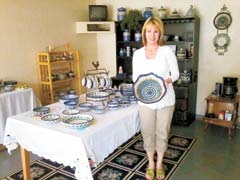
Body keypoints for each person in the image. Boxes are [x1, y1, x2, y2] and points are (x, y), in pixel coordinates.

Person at [132, 17, 179, 180]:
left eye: (156, 31)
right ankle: (150, 162)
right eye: (149, 31)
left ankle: (159, 164)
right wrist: (144, 86)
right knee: (147, 132)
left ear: (160, 33)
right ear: (144, 32)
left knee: (162, 133)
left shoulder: (166, 51)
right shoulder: (137, 54)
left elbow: (176, 74)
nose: (152, 35)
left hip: (165, 100)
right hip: (145, 101)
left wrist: (166, 81)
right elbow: (135, 78)